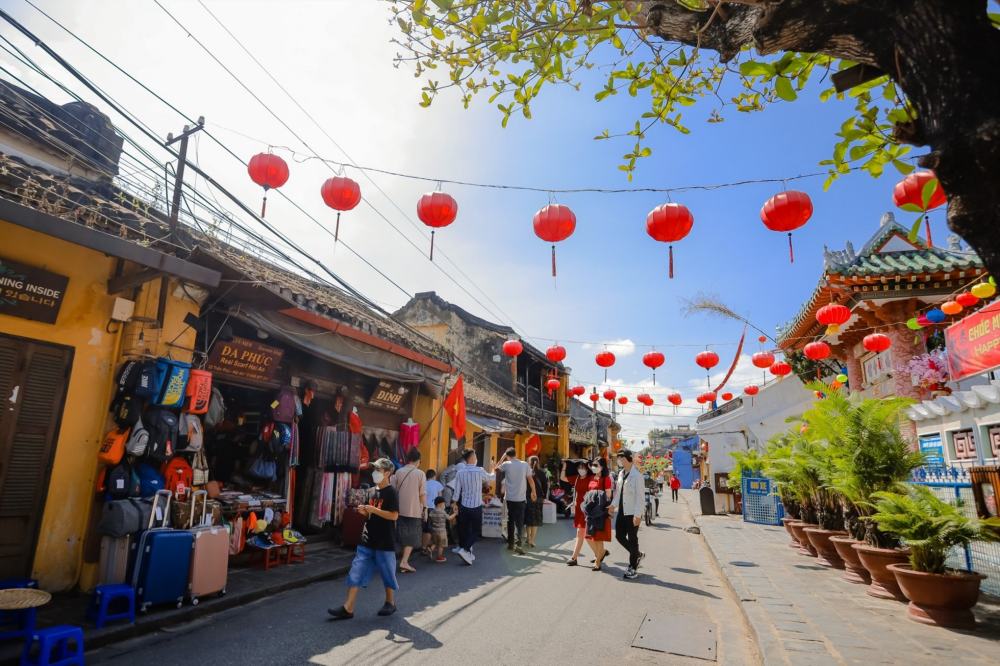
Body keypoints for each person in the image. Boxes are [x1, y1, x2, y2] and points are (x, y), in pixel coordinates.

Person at [329, 458, 399, 619]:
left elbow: (394, 515)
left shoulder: (391, 492)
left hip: (384, 540)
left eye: (378, 470)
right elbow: (369, 514)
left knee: (387, 573)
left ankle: (390, 602)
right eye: (374, 469)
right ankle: (348, 607)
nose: (374, 473)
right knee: (356, 571)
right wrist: (364, 512)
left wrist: (373, 510)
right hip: (367, 538)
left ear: (387, 473)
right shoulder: (370, 491)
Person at [448, 449, 495, 565]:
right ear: (472, 457)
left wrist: (454, 503)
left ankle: (467, 553)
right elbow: (491, 478)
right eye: (475, 455)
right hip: (476, 506)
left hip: (464, 505)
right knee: (476, 530)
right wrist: (494, 468)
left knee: (464, 530)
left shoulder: (460, 472)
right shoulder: (479, 470)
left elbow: (457, 491)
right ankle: (465, 550)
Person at [392, 448, 426, 573]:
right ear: (418, 460)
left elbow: (393, 490)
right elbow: (422, 494)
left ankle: (402, 561)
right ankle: (404, 562)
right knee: (411, 537)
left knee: (401, 535)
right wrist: (425, 508)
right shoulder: (420, 474)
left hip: (399, 509)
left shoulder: (399, 472)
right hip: (414, 510)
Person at [611, 449, 644, 580]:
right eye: (619, 458)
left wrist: (638, 515)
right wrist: (613, 505)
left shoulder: (637, 476)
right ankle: (637, 554)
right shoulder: (620, 474)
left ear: (628, 459)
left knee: (632, 539)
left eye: (621, 458)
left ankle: (633, 567)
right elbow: (618, 493)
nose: (619, 460)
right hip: (621, 511)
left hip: (632, 513)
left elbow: (640, 498)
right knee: (619, 536)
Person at [498, 446, 536, 555]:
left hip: (509, 498)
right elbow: (530, 479)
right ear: (515, 454)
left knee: (510, 520)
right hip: (520, 498)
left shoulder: (506, 464)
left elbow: (496, 467)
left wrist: (502, 457)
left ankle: (510, 544)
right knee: (520, 522)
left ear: (508, 456)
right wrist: (534, 492)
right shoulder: (524, 464)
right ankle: (519, 544)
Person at [583, 457, 613, 571]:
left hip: (600, 512)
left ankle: (598, 561)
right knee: (589, 536)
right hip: (590, 511)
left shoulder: (606, 479)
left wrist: (598, 498)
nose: (594, 467)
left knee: (598, 538)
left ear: (602, 466)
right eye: (593, 465)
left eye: (596, 465)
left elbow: (608, 496)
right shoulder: (591, 477)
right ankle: (601, 553)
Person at [561, 459, 592, 566]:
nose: (581, 469)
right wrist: (564, 466)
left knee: (586, 534)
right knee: (581, 533)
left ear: (587, 468)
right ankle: (575, 557)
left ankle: (599, 553)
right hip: (579, 509)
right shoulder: (577, 478)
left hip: (587, 509)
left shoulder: (591, 478)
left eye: (583, 467)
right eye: (579, 467)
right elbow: (562, 478)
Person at [524, 455, 548, 548]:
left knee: (528, 519)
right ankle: (532, 540)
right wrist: (544, 496)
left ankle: (528, 538)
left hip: (527, 497)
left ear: (529, 462)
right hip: (538, 498)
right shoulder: (542, 472)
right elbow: (545, 486)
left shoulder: (526, 472)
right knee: (536, 520)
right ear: (538, 462)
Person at [427, 496, 450, 562]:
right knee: (441, 545)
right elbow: (449, 518)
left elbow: (430, 518)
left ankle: (430, 549)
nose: (444, 505)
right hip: (442, 531)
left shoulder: (432, 511)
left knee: (435, 542)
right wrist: (455, 514)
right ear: (440, 504)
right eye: (444, 504)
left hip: (434, 530)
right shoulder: (443, 512)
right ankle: (439, 557)